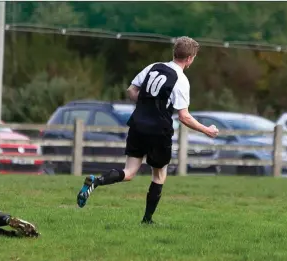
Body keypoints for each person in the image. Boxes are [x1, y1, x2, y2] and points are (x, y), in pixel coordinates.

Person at [76, 36, 219, 224]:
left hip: (137, 125)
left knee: (129, 171)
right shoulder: (181, 80)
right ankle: (147, 220)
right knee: (159, 175)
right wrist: (206, 130)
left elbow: (131, 90)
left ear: (174, 52)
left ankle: (96, 181)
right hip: (158, 131)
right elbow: (184, 116)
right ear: (190, 58)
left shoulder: (154, 66)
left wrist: (146, 105)